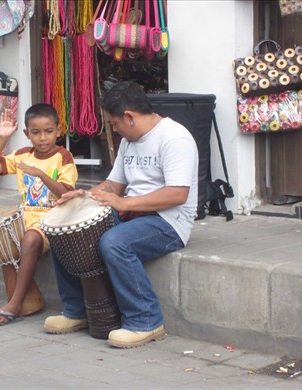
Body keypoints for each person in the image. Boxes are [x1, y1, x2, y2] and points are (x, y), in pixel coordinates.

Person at [44, 81, 199, 348]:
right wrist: (82, 195)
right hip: (132, 214)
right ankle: (76, 310)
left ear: (129, 116)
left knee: (115, 242)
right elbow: (113, 185)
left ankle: (146, 321)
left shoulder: (175, 137)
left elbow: (177, 194)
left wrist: (125, 205)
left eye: (114, 124)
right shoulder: (130, 140)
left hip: (169, 222)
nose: (113, 130)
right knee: (66, 231)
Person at [0, 103, 78, 325]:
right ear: (26, 134)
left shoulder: (64, 157)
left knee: (30, 238)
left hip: (51, 220)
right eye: (36, 132)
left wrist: (41, 174)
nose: (43, 138)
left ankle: (15, 302)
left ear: (59, 130)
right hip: (24, 218)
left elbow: (65, 194)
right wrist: (2, 138)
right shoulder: (23, 155)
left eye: (49, 131)